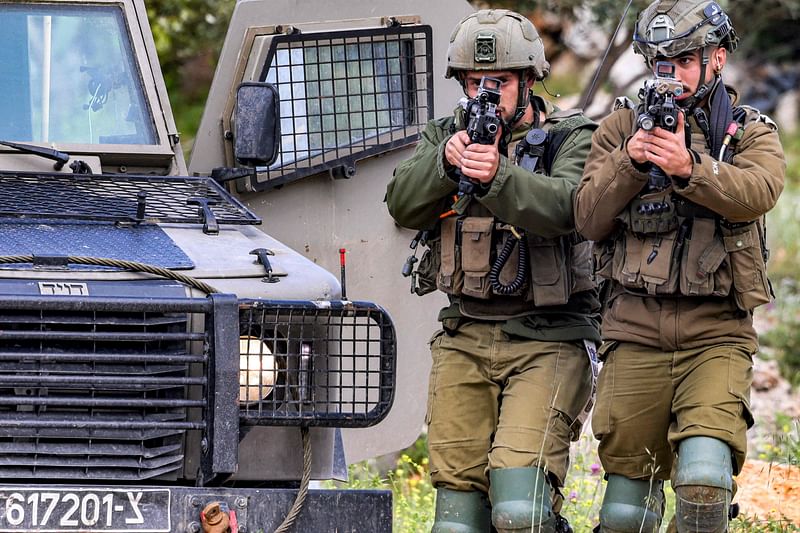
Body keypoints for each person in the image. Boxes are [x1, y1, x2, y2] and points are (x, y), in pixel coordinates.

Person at [386, 9, 601, 533]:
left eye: (500, 82)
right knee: (457, 520)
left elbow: (569, 207)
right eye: (475, 81)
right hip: (465, 334)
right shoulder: (446, 135)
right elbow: (400, 203)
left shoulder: (569, 137)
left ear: (529, 80)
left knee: (519, 511)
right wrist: (447, 166)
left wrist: (498, 174)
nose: (486, 93)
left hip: (549, 338)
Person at [573, 1, 786, 531]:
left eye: (683, 61)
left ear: (716, 59)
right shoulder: (618, 128)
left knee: (706, 482)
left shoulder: (746, 131)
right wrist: (631, 161)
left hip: (715, 333)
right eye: (659, 63)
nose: (669, 77)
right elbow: (587, 218)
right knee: (625, 510)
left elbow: (760, 191)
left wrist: (691, 167)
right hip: (634, 330)